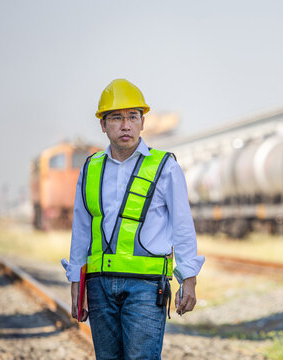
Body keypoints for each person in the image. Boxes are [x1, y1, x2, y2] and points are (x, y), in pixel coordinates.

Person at [63, 79, 205, 359]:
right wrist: (76, 282)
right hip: (99, 286)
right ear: (103, 125)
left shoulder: (165, 166)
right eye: (116, 118)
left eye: (132, 117)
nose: (125, 125)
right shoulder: (90, 168)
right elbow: (81, 228)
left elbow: (182, 226)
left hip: (147, 286)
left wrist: (188, 278)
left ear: (143, 122)